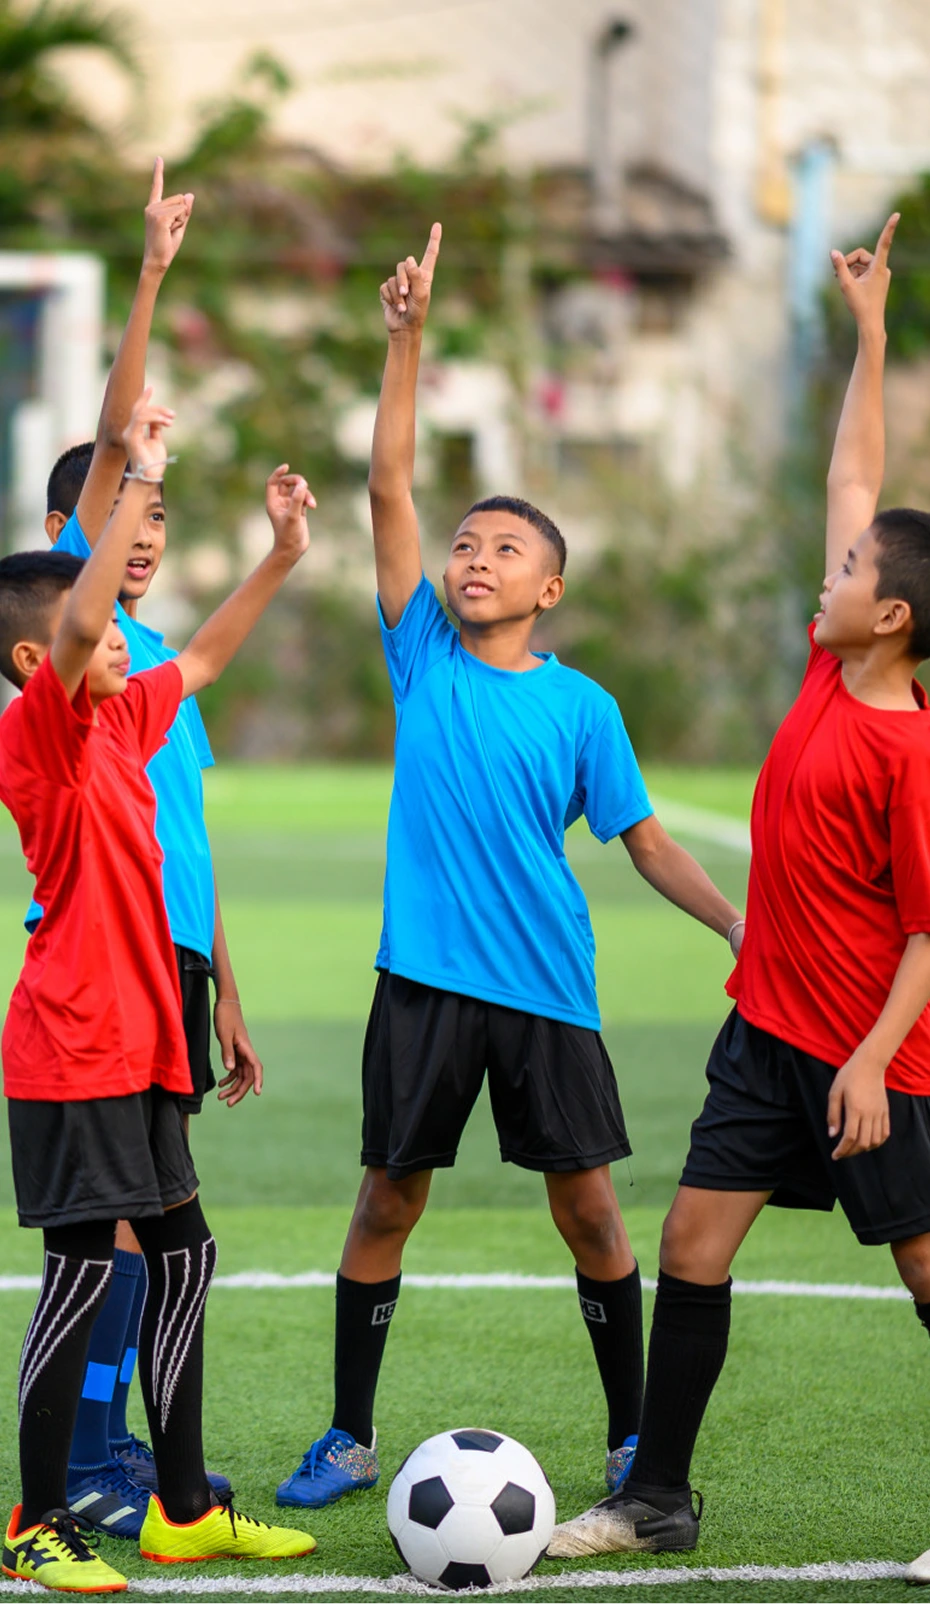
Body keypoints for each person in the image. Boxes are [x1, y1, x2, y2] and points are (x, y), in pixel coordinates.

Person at [275, 224, 745, 1514]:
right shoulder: (420, 649)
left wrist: (732, 923)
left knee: (591, 1215)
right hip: (423, 980)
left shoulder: (586, 707)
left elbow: (646, 839)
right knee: (387, 1201)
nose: (473, 559)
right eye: (465, 544)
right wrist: (405, 337)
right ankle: (350, 1435)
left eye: (503, 550)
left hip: (547, 986)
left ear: (550, 588)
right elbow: (386, 485)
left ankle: (635, 1442)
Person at [548, 213, 930, 1563]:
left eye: (850, 573)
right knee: (692, 1243)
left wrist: (871, 1061)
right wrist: (870, 332)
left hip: (875, 1057)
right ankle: (657, 1497)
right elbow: (854, 478)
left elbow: (928, 936)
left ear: (892, 616)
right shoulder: (830, 668)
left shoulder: (911, 751)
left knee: (924, 1266)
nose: (830, 572)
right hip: (767, 1033)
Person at [0, 392, 318, 1594]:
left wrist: (280, 555)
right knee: (84, 1273)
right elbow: (87, 614)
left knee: (184, 1255)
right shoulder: (41, 734)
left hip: (141, 1044)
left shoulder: (123, 723)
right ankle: (36, 1518)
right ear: (38, 663)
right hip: (72, 1047)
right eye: (94, 638)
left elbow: (205, 657)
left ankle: (184, 1509)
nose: (121, 642)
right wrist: (137, 469)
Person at [33, 162, 261, 1539]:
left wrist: (223, 984)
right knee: (123, 1220)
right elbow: (121, 436)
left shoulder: (162, 662)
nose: (145, 533)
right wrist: (154, 273)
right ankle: (92, 1456)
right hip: (98, 968)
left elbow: (192, 837)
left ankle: (128, 1452)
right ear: (80, 531)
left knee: (162, 1215)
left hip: (172, 960)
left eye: (160, 521)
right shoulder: (81, 645)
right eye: (126, 513)